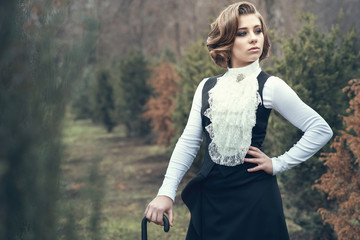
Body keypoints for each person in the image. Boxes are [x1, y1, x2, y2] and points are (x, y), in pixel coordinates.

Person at [144, 2, 333, 239]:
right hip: (212, 200)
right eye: (243, 33)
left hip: (257, 201)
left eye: (258, 30)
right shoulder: (206, 87)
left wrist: (278, 164)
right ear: (226, 41)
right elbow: (189, 143)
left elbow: (320, 129)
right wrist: (166, 193)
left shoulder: (270, 86)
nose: (254, 38)